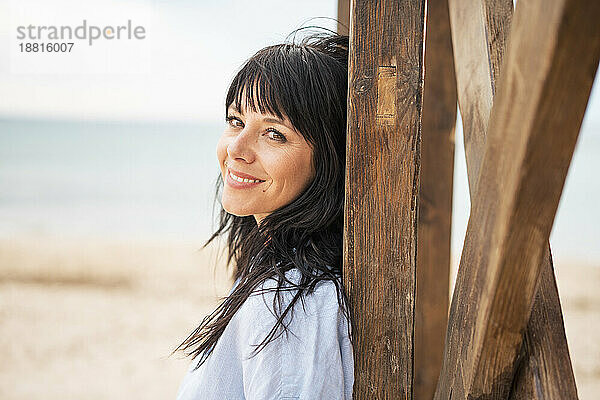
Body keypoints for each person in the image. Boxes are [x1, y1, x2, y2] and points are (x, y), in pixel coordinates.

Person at [174, 30, 354, 400]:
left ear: (329, 161)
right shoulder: (273, 272)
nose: (236, 149)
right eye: (236, 121)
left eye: (274, 134)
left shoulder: (288, 302)